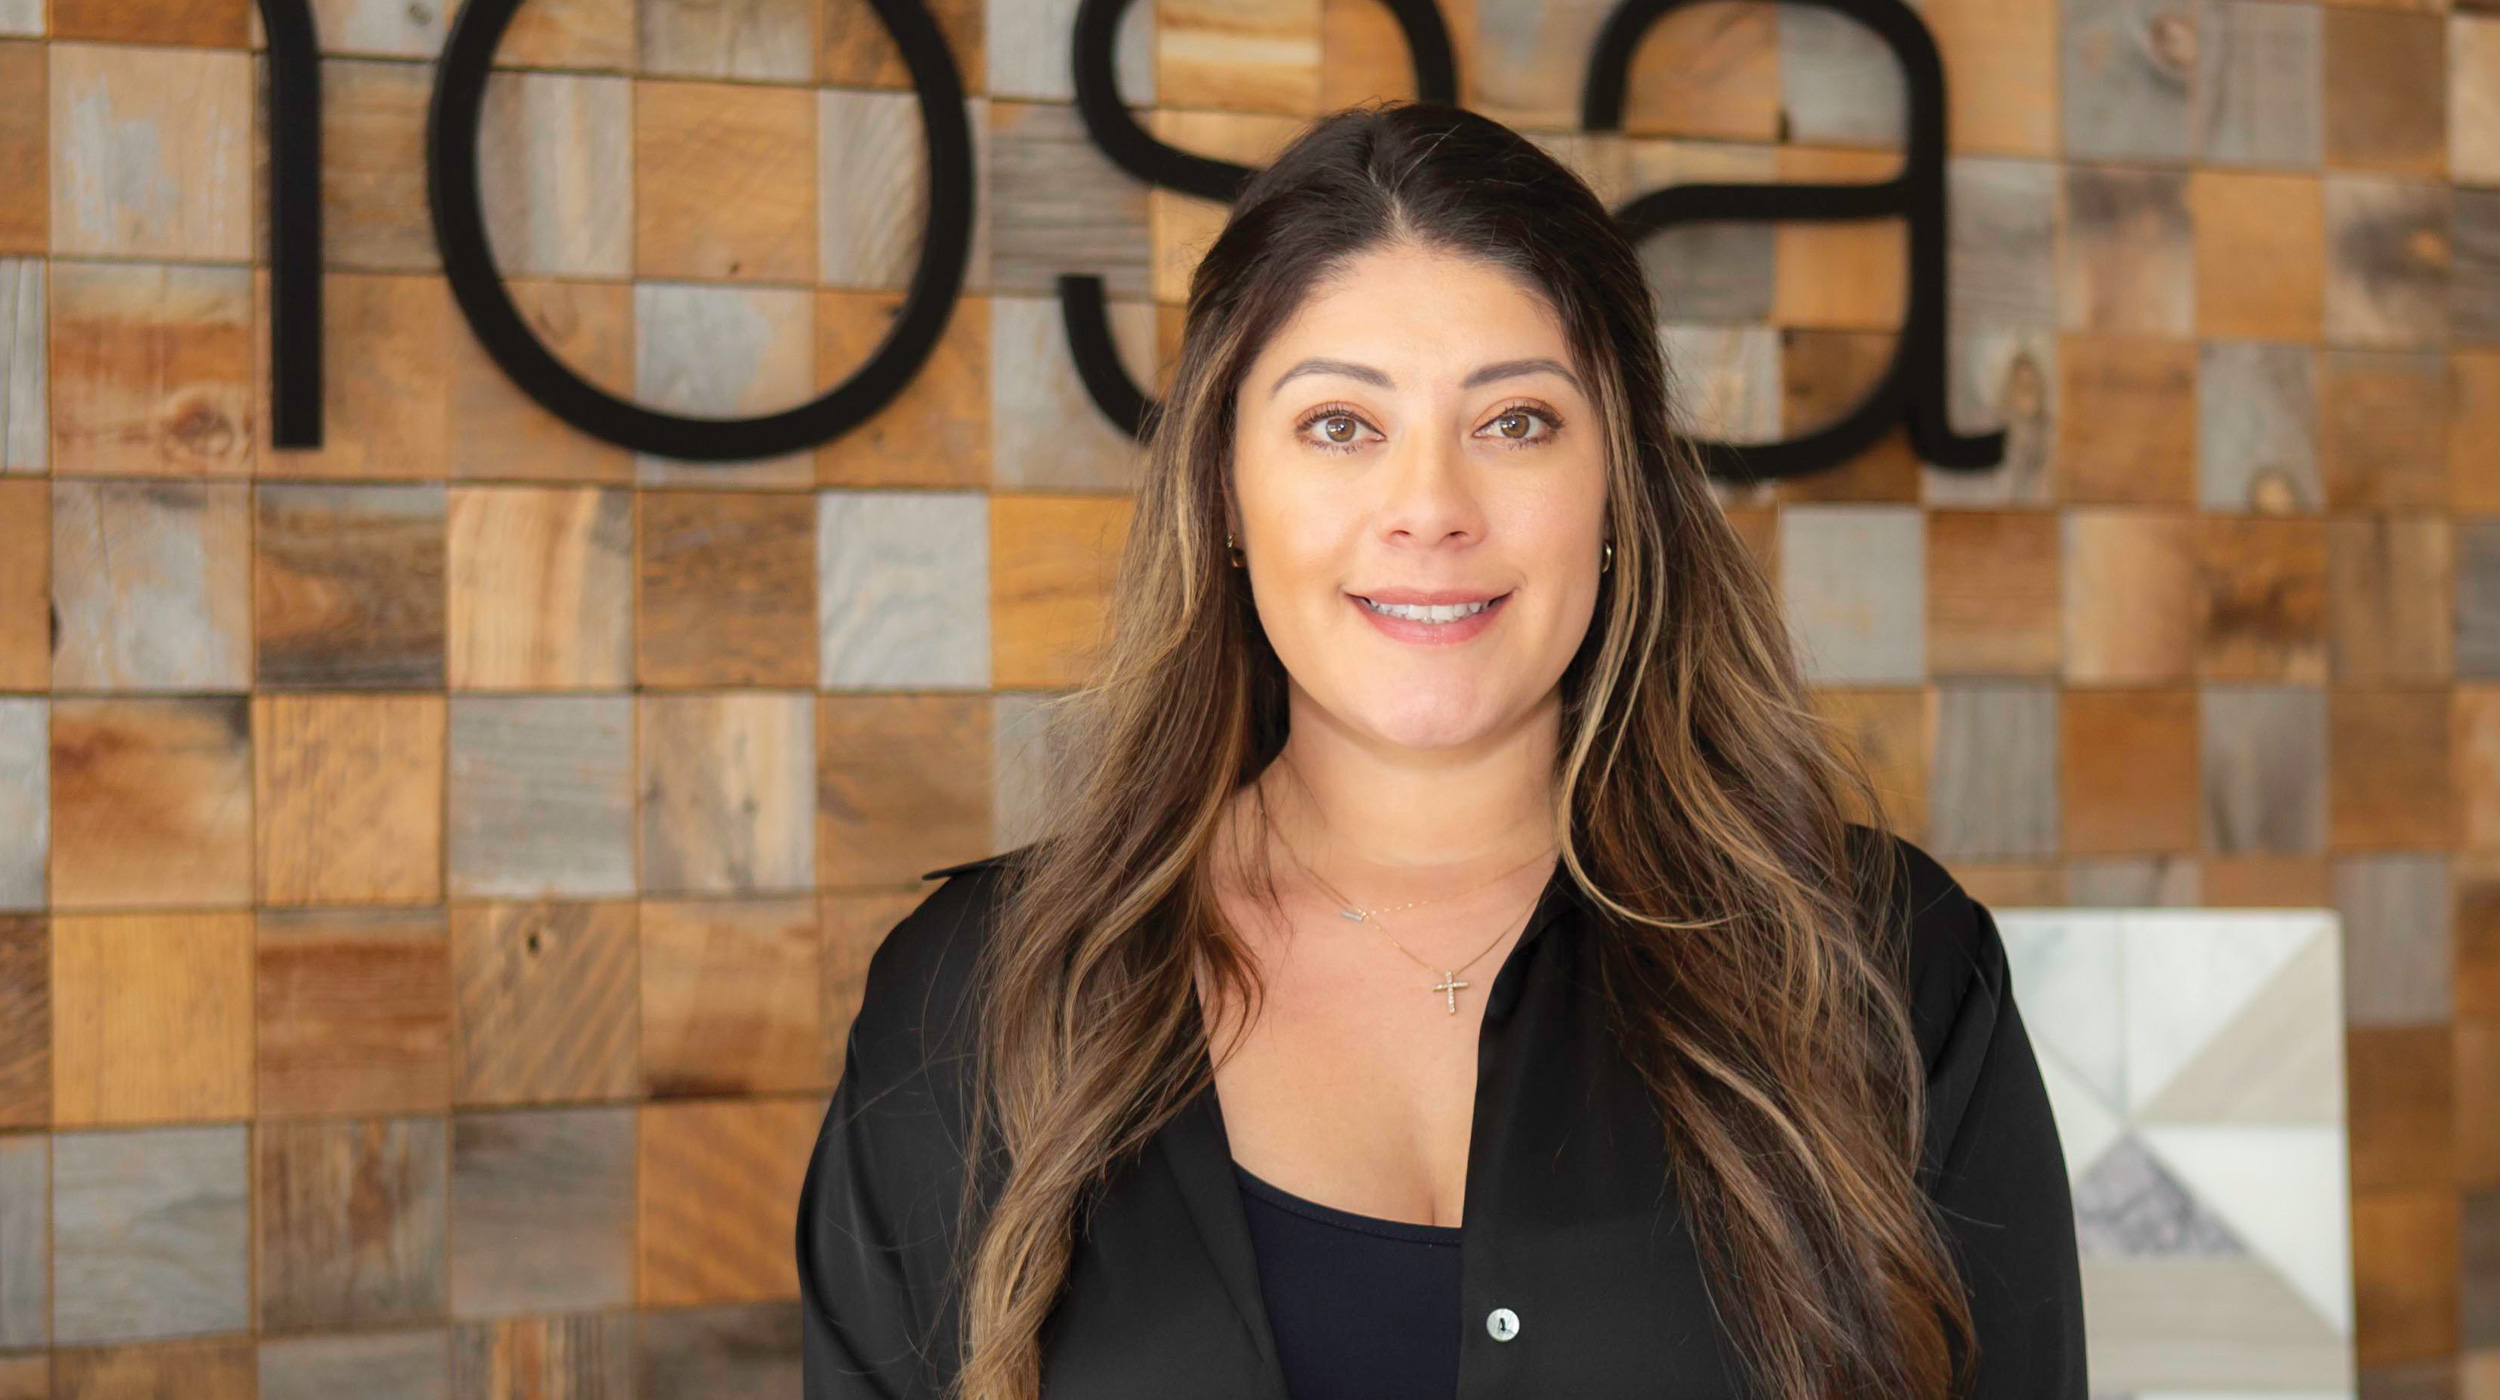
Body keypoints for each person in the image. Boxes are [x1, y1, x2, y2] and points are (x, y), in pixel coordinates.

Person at [795, 99, 2086, 1400]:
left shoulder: (1881, 971)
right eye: (1341, 426)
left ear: (1617, 487)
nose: (1430, 509)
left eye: (1515, 421)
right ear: (1226, 490)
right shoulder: (976, 1003)